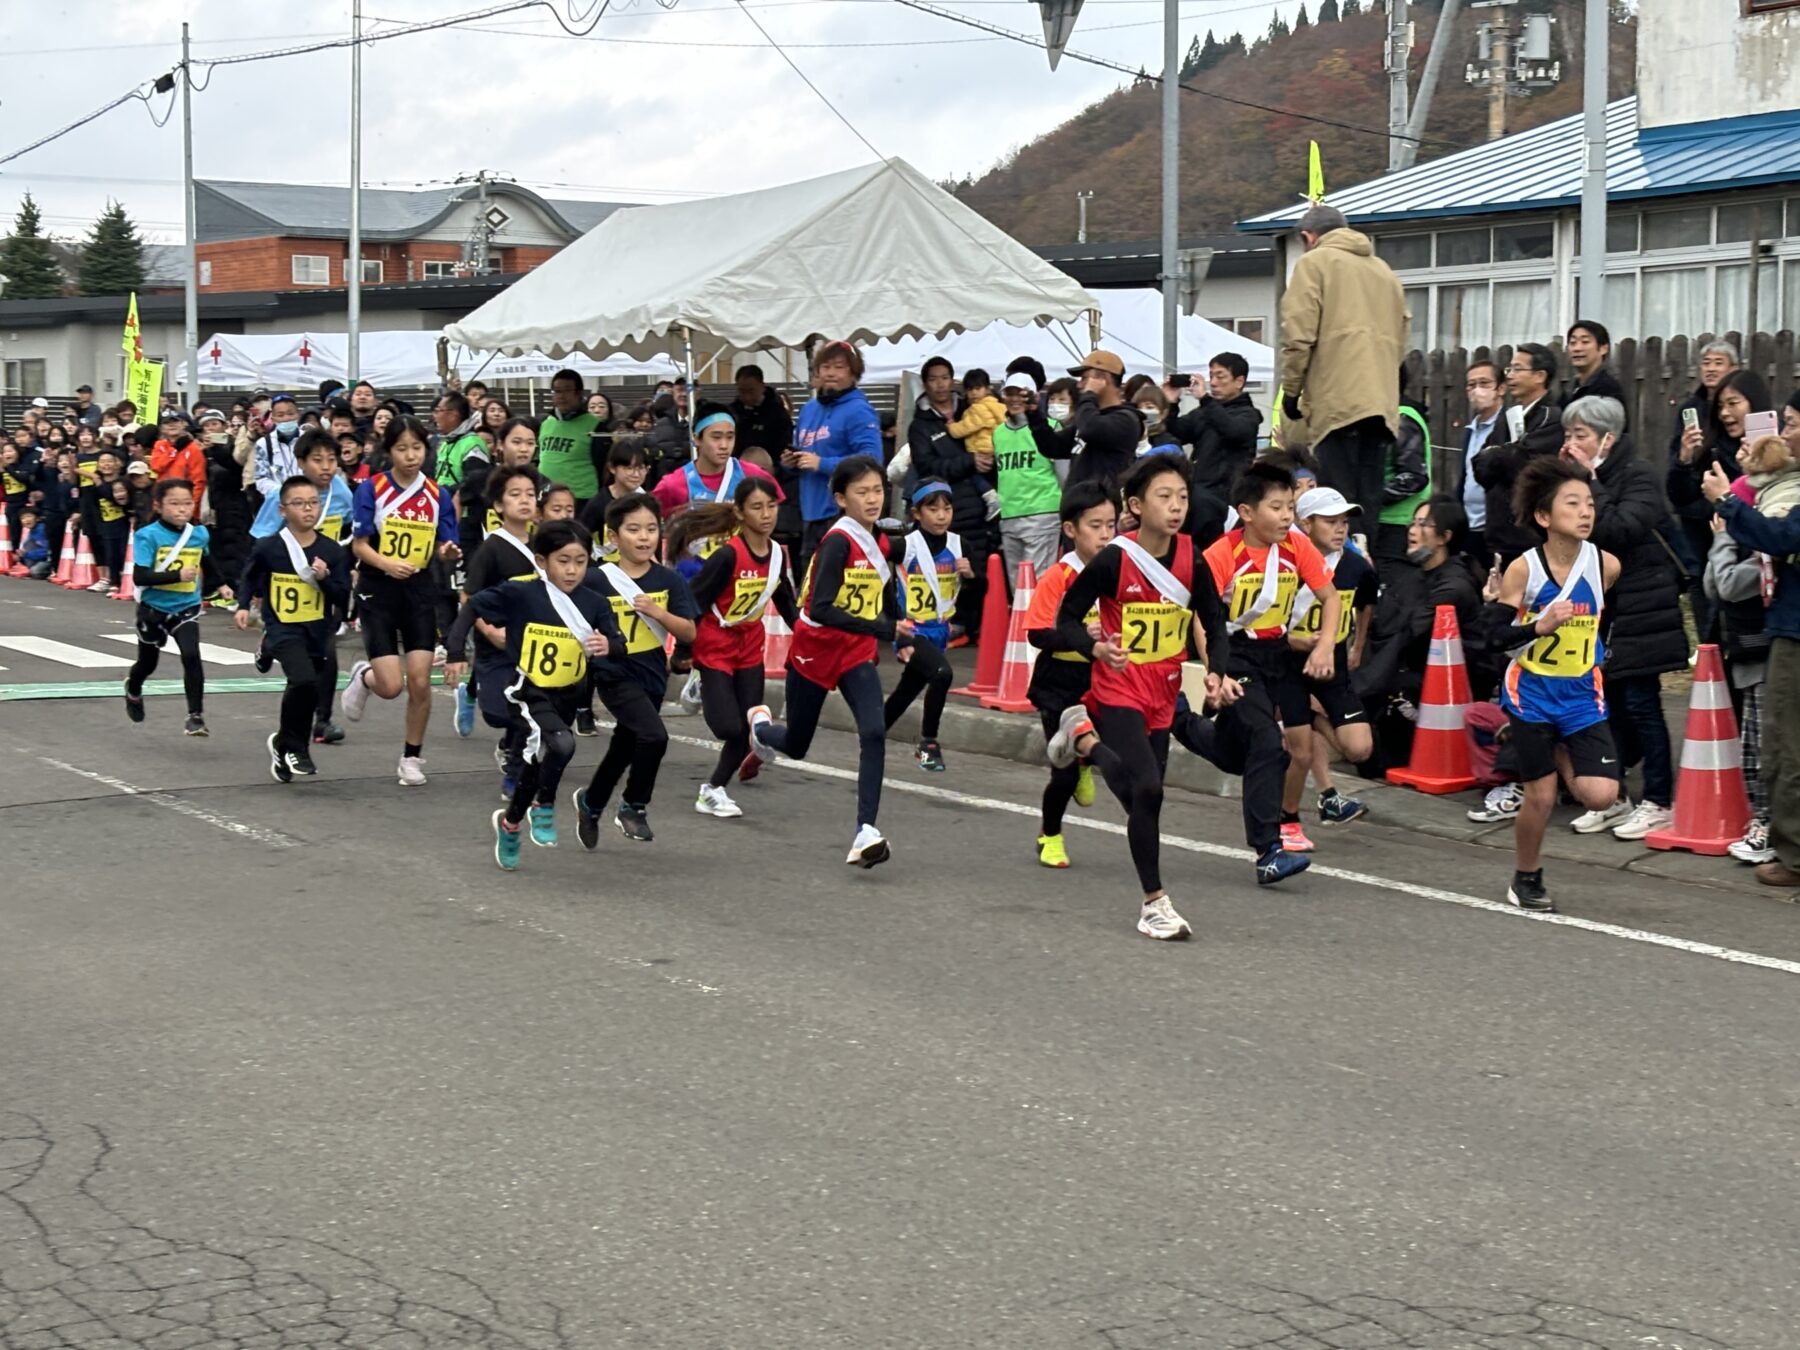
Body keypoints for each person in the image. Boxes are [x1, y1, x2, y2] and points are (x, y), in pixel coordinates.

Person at [1045, 455, 1235, 940]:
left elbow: (1214, 623)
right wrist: (1096, 647)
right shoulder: (1115, 559)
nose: (1175, 507)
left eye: (1182, 498)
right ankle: (1154, 903)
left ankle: (1083, 741)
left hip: (1164, 692)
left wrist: (1218, 673)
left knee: (1143, 801)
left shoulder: (1194, 557)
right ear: (1137, 504)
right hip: (1118, 686)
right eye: (1164, 497)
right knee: (1148, 790)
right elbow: (1064, 620)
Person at [748, 456, 910, 868]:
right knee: (798, 746)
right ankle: (762, 729)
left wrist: (896, 632)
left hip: (855, 653)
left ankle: (865, 831)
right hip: (814, 650)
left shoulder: (881, 540)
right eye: (862, 492)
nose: (873, 499)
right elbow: (820, 608)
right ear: (841, 498)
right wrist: (883, 630)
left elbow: (884, 589)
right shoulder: (838, 541)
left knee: (874, 732)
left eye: (877, 490)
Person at [447, 521, 622, 869]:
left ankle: (510, 822)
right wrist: (455, 652)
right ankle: (544, 804)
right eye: (563, 560)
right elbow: (471, 607)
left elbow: (618, 641)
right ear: (542, 561)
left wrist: (608, 645)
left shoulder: (595, 602)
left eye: (580, 560)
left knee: (539, 758)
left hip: (568, 693)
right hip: (526, 690)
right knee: (562, 744)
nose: (572, 570)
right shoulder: (521, 592)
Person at [1494, 456, 1624, 911]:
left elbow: (1602, 623)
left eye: (1589, 503)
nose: (1585, 512)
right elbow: (1492, 638)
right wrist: (1538, 627)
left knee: (1601, 795)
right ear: (1544, 517)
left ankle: (1563, 743)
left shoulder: (1606, 566)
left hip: (1581, 695)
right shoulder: (1523, 570)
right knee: (1542, 796)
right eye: (1573, 504)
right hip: (1530, 694)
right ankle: (1526, 877)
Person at [1561, 396, 1688, 842]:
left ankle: (1659, 800)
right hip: (1602, 608)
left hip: (1643, 606)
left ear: (1607, 439)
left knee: (1643, 705)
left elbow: (1618, 529)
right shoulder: (1581, 480)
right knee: (1605, 704)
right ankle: (1615, 799)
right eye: (1569, 434)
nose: (1571, 443)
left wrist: (1589, 482)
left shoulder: (1639, 476)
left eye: (1581, 435)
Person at [340, 415, 462, 786]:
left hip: (420, 587)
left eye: (417, 448)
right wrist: (386, 564)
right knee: (392, 686)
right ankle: (365, 675)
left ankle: (412, 756)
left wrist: (448, 551)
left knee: (421, 681)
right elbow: (359, 544)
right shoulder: (373, 490)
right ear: (388, 450)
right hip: (379, 586)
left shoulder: (436, 494)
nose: (411, 456)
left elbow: (446, 545)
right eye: (402, 448)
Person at [571, 494, 696, 846]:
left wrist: (659, 614)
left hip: (653, 675)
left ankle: (590, 803)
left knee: (625, 746)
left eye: (651, 529)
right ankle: (633, 806)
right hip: (614, 673)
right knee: (655, 736)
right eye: (633, 529)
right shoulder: (596, 580)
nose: (644, 537)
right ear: (613, 536)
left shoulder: (668, 582)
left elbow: (689, 631)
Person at [1278, 203, 1409, 520]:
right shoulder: (1384, 271)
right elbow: (1402, 339)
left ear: (1310, 236)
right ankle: (1367, 561)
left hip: (1336, 402)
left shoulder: (1315, 263)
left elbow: (1299, 335)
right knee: (1368, 499)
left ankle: (1340, 568)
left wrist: (1292, 392)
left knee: (1336, 503)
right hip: (1380, 406)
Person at [678, 478, 797, 817]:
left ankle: (712, 789)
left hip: (748, 646)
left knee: (745, 727)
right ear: (741, 513)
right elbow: (695, 600)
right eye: (757, 507)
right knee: (727, 728)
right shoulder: (729, 555)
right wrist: (683, 652)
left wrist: (808, 637)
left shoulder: (777, 556)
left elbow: (786, 603)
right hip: (715, 643)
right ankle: (701, 683)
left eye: (771, 506)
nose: (766, 515)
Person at [1024, 480, 1117, 868]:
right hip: (1058, 683)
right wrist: (1080, 637)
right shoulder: (1059, 576)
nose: (1105, 534)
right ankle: (1050, 836)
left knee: (1117, 743)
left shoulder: (1116, 570)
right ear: (1070, 530)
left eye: (1111, 524)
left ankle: (1085, 762)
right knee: (1061, 775)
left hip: (1101, 680)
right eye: (1094, 525)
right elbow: (1036, 632)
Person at [235, 476, 352, 782]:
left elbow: (343, 598)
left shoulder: (332, 550)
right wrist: (243, 605)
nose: (308, 510)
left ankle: (282, 742)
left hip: (316, 629)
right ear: (283, 510)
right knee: (302, 680)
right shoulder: (269, 547)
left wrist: (325, 578)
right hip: (282, 627)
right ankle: (296, 748)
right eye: (299, 504)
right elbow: (249, 577)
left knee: (307, 686)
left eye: (313, 503)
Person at [1280, 486, 1377, 844]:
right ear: (1306, 524)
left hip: (1333, 661)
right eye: (1330, 521)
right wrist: (1298, 641)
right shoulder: (1285, 563)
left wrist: (1357, 646)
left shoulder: (1354, 565)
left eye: (1345, 521)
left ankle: (1314, 715)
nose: (1341, 529)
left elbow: (1366, 603)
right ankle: (1288, 820)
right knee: (1299, 748)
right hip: (1289, 661)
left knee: (1359, 748)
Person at [449, 465, 546, 799]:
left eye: (530, 494)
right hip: (496, 648)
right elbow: (469, 597)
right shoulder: (491, 548)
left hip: (534, 647)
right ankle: (507, 741)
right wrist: (489, 632)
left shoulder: (545, 543)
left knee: (528, 708)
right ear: (499, 506)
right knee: (496, 712)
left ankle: (516, 773)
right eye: (515, 495)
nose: (524, 501)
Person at [1669, 368, 1773, 645]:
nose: (1725, 413)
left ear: (1755, 402)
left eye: (1733, 403)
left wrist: (1730, 498)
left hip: (1759, 566)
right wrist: (1684, 459)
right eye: (1720, 406)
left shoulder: (1777, 452)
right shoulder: (1711, 449)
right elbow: (1681, 498)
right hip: (1714, 555)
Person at [121, 479, 231, 736]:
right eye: (174, 504)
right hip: (154, 608)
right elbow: (140, 577)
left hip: (186, 606)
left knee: (191, 655)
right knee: (147, 664)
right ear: (158, 506)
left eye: (187, 504)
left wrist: (222, 584)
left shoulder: (199, 533)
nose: (182, 510)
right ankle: (133, 688)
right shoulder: (147, 535)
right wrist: (176, 576)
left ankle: (195, 716)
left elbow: (207, 560)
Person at [910, 360, 999, 644]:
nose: (940, 384)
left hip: (983, 502)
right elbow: (927, 465)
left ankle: (979, 626)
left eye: (945, 377)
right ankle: (955, 624)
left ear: (953, 380)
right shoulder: (920, 426)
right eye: (934, 379)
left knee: (979, 568)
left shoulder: (972, 410)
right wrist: (968, 461)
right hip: (945, 504)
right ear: (925, 384)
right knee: (950, 568)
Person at [1705, 508, 1774, 864]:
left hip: (1765, 656)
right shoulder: (1745, 550)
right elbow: (1712, 585)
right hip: (1749, 656)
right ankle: (1762, 823)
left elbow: (1729, 586)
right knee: (1751, 747)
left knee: (1764, 750)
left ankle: (1768, 826)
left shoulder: (1767, 555)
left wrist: (1724, 537)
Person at [884, 482, 965, 771]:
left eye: (947, 508)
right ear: (917, 513)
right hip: (910, 631)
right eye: (933, 509)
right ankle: (928, 744)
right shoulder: (906, 545)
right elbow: (876, 571)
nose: (942, 515)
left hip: (939, 632)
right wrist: (891, 619)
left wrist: (973, 576)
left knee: (908, 688)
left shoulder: (958, 545)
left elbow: (979, 591)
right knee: (942, 674)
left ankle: (873, 733)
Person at [787, 340, 884, 580]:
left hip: (843, 516)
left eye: (839, 367)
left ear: (853, 374)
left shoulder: (858, 410)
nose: (831, 373)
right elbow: (805, 453)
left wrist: (822, 464)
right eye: (825, 366)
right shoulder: (809, 409)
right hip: (810, 515)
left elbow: (872, 460)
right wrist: (790, 461)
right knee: (810, 592)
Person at [1472, 342, 1563, 567]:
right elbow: (1480, 466)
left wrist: (1501, 454)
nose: (1510, 376)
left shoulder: (1551, 417)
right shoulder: (1508, 416)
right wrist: (1504, 454)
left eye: (1517, 369)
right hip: (1498, 532)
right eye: (1508, 370)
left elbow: (1526, 467)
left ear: (1540, 376)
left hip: (1531, 535)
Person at [650, 402, 782, 521]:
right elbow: (652, 520)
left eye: (730, 437)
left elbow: (774, 508)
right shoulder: (673, 484)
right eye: (716, 437)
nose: (724, 445)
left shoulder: (754, 475)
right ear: (697, 439)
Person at [991, 371, 1065, 583]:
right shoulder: (998, 433)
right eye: (1010, 393)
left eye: (1022, 394)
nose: (1015, 399)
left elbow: (1064, 475)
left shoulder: (1051, 428)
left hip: (1043, 513)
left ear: (1034, 397)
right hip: (1010, 516)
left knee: (1037, 584)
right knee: (1018, 589)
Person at [1031, 351, 1139, 493]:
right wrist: (1033, 414)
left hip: (1104, 510)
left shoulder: (1126, 419)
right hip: (1078, 508)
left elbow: (1091, 429)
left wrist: (1089, 395)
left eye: (1084, 379)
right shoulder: (1089, 418)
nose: (1080, 385)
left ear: (1103, 379)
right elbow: (1052, 447)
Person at [1167, 353, 1260, 502]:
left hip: (1230, 495)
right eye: (1211, 376)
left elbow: (1232, 431)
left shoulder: (1249, 415)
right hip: (1199, 492)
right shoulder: (1204, 411)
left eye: (1220, 377)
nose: (1214, 383)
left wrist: (1205, 399)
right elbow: (1175, 432)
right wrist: (1171, 403)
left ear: (1239, 381)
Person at [1446, 361, 1503, 563]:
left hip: (1495, 528)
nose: (1477, 390)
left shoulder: (1506, 426)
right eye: (1471, 385)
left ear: (1501, 388)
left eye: (1484, 383)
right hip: (1470, 525)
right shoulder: (1471, 430)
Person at [944, 369, 1007, 520]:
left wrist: (951, 426)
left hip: (982, 449)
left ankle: (991, 498)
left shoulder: (977, 409)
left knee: (972, 474)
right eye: (970, 389)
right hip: (996, 448)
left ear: (987, 388)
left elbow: (964, 428)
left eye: (977, 388)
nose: (973, 393)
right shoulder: (998, 405)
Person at [538, 370, 606, 507]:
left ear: (579, 393)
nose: (562, 396)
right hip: (546, 496)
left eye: (567, 390)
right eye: (557, 391)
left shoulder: (596, 426)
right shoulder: (546, 423)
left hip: (581, 499)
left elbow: (602, 466)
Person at [82, 449, 132, 594]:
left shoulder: (124, 481)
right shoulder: (94, 485)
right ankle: (114, 582)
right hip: (106, 524)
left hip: (123, 522)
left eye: (110, 461)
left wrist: (100, 484)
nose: (106, 465)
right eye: (102, 462)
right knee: (110, 554)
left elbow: (118, 500)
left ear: (118, 464)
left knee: (124, 552)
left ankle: (126, 581)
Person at [729, 364, 794, 463]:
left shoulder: (778, 414)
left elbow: (785, 445)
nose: (747, 397)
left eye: (751, 391)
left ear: (762, 386)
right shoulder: (732, 412)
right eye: (742, 391)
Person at [1564, 319, 1627, 418]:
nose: (1577, 348)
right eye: (1572, 343)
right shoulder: (1570, 389)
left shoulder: (1607, 389)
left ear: (1603, 349)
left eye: (1585, 342)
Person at [252, 395, 305, 503]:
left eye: (290, 414)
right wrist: (283, 492)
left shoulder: (310, 439)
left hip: (307, 498)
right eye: (280, 415)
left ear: (298, 415)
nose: (286, 418)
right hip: (278, 502)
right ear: (273, 419)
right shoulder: (264, 444)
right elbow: (261, 479)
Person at [149, 411, 207, 500]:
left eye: (175, 421)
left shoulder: (193, 449)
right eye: (167, 423)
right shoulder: (159, 445)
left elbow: (198, 481)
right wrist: (174, 450)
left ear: (183, 424)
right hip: (163, 497)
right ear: (162, 428)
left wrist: (193, 505)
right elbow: (156, 466)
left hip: (184, 497)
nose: (172, 425)